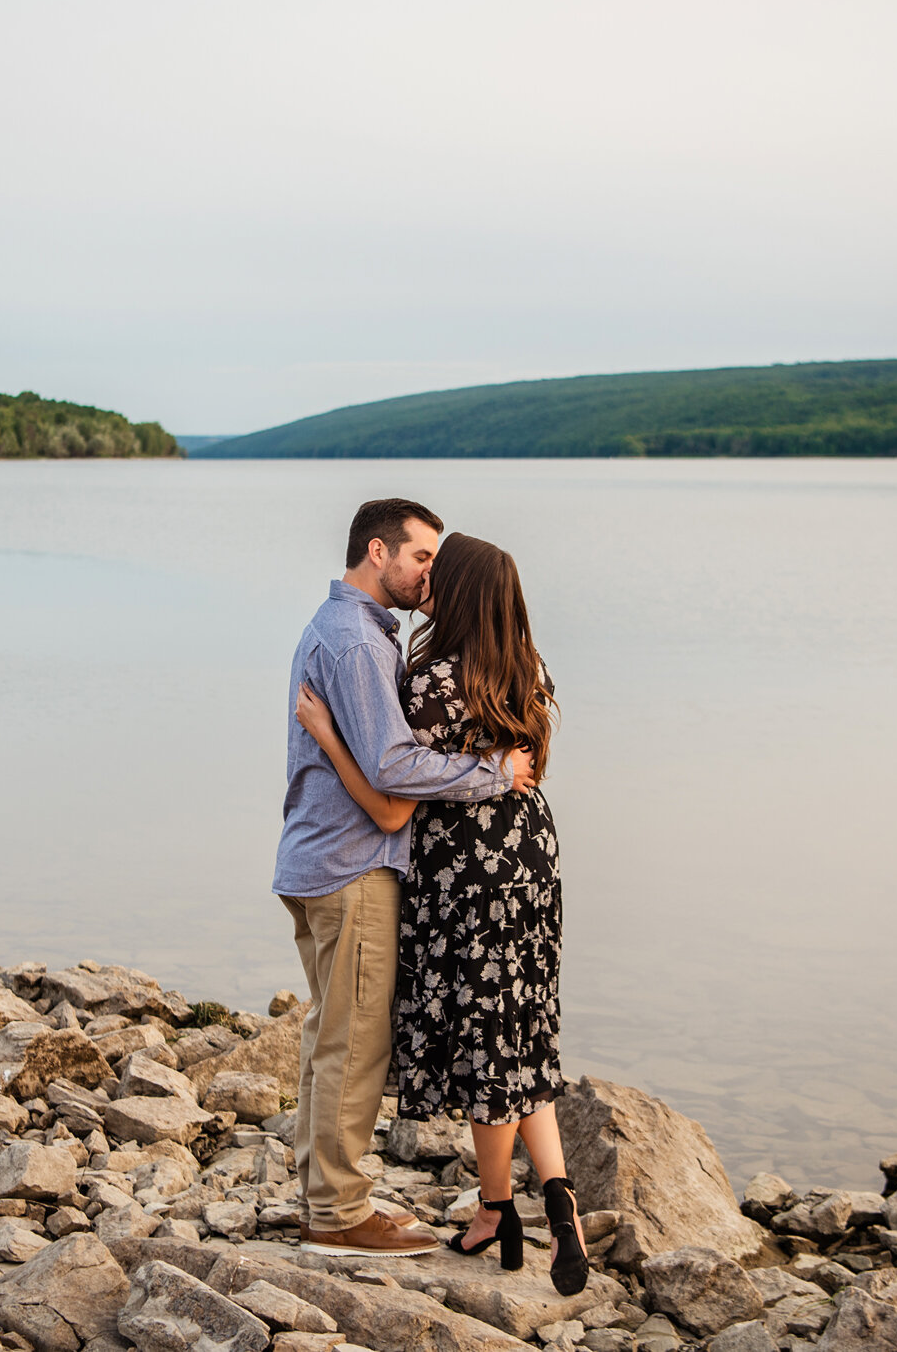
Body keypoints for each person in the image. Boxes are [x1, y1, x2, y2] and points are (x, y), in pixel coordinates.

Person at [293, 531, 587, 1296]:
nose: (425, 577)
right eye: (417, 558)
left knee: (486, 1037)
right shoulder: (529, 668)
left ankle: (496, 1204)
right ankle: (556, 1201)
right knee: (523, 1024)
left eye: (435, 567)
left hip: (463, 872)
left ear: (453, 592)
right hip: (531, 861)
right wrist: (496, 770)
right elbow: (527, 766)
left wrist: (325, 733)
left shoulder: (428, 684)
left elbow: (393, 800)